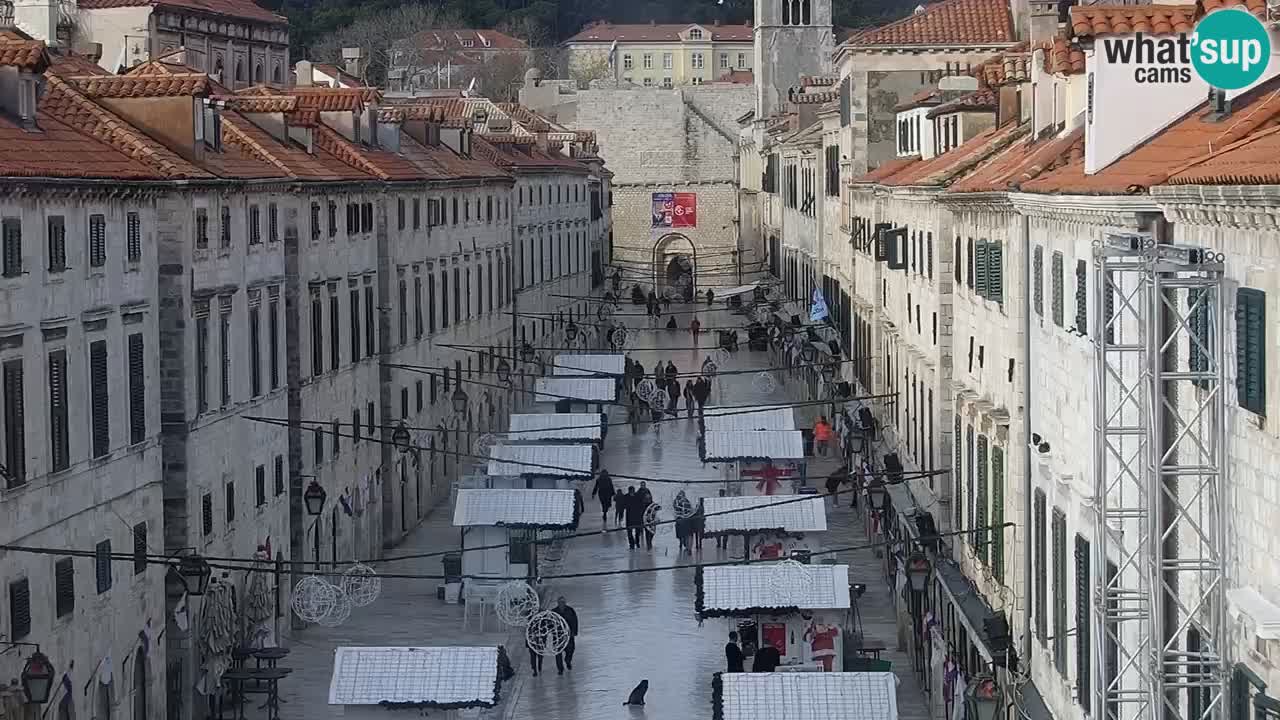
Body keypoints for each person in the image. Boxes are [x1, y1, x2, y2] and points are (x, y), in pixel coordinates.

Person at [552, 596, 579, 674]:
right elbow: (550, 623)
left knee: (570, 650)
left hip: (569, 635)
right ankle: (560, 669)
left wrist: (574, 632)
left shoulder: (570, 610)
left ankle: (568, 660)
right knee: (558, 653)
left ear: (565, 603)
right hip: (558, 636)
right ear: (558, 603)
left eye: (563, 602)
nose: (562, 604)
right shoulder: (554, 612)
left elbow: (575, 621)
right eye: (560, 602)